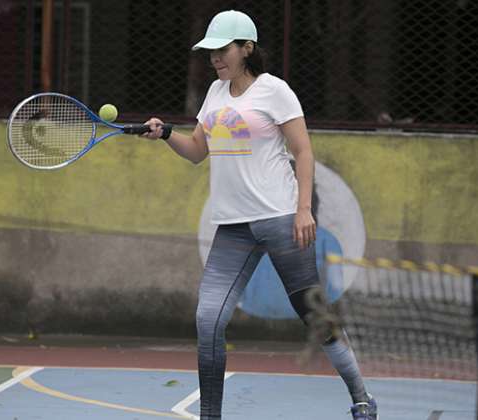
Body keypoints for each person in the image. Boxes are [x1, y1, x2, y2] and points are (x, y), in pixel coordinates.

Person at [141, 10, 378, 420]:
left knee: (314, 316)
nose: (216, 58)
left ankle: (361, 397)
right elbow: (198, 151)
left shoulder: (275, 91)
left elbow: (303, 151)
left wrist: (304, 210)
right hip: (232, 226)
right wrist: (165, 135)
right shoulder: (215, 93)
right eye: (210, 52)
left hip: (281, 218)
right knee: (208, 320)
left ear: (247, 48)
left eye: (223, 50)